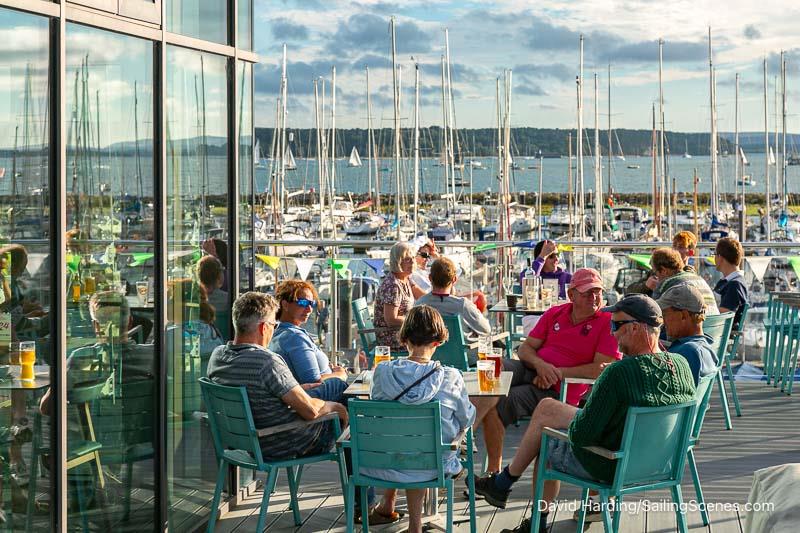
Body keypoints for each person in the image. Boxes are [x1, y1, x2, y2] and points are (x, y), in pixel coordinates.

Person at [475, 294, 696, 533]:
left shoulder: (619, 373)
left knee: (547, 440)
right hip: (660, 464)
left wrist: (593, 397)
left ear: (635, 328)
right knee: (549, 409)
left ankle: (532, 517)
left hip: (611, 465)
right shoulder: (681, 365)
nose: (612, 332)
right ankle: (504, 482)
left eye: (616, 325)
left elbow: (582, 435)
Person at [470, 268, 621, 476]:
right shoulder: (555, 313)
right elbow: (525, 349)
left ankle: (491, 472)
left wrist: (555, 373)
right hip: (535, 368)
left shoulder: (607, 321)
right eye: (587, 292)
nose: (594, 297)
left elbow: (600, 370)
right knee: (492, 367)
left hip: (561, 388)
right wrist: (541, 365)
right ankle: (468, 433)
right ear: (571, 295)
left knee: (497, 404)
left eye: (598, 292)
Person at [365, 305, 476, 533]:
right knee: (424, 448)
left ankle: (401, 516)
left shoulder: (382, 372)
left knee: (408, 442)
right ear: (437, 341)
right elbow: (467, 420)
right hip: (432, 465)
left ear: (404, 338)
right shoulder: (451, 377)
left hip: (384, 461)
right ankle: (415, 524)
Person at [207, 292, 347, 461]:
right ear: (263, 327)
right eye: (274, 325)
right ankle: (360, 476)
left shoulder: (217, 356)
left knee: (323, 388)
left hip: (247, 441)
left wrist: (296, 390)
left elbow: (256, 392)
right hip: (284, 443)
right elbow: (310, 411)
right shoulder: (266, 362)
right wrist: (335, 408)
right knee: (338, 387)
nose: (274, 330)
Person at [269, 279, 348, 402]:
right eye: (303, 303)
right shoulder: (294, 337)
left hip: (301, 397)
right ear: (285, 305)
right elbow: (312, 382)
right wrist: (340, 375)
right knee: (344, 387)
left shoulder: (277, 332)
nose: (310, 309)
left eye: (312, 304)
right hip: (312, 402)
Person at [414, 257, 491, 339]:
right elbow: (486, 330)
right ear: (454, 279)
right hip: (459, 351)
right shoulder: (463, 305)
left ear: (430, 278)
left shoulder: (419, 304)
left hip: (430, 351)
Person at [657, 284, 717, 385]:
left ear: (684, 315)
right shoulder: (705, 347)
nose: (662, 321)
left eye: (665, 314)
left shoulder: (688, 352)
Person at [373, 242, 420, 352]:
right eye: (407, 259)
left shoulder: (405, 279)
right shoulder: (393, 285)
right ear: (397, 261)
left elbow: (424, 297)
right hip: (392, 338)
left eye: (413, 257)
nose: (413, 262)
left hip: (403, 331)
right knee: (430, 341)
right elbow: (391, 320)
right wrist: (416, 322)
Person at [649, 247, 719, 314]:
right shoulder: (699, 279)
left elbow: (653, 312)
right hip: (716, 324)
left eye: (655, 272)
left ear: (664, 270)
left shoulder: (673, 286)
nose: (655, 276)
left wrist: (656, 288)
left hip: (701, 325)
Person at [714, 237, 749, 329]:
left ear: (720, 257)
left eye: (715, 254)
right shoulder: (727, 281)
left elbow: (724, 315)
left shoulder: (735, 284)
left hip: (718, 335)